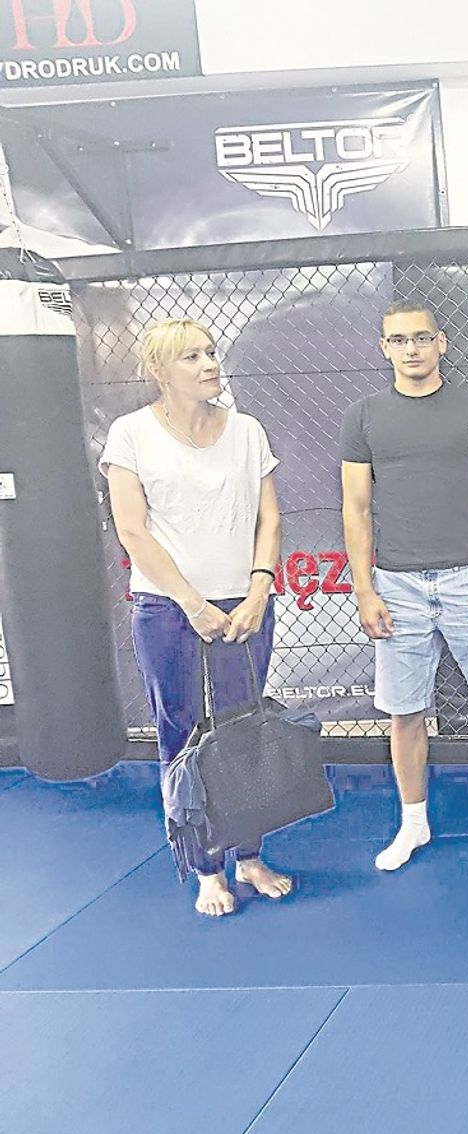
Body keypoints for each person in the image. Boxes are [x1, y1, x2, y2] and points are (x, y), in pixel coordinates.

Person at [341, 301, 468, 872]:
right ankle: (413, 823)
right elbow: (356, 508)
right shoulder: (363, 417)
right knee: (405, 713)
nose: (411, 349)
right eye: (399, 340)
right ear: (384, 348)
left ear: (442, 343)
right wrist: (365, 590)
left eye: (421, 338)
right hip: (396, 586)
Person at [101, 318, 294, 917]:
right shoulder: (131, 434)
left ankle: (249, 855)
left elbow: (269, 518)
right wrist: (191, 602)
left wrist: (259, 589)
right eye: (191, 356)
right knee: (180, 731)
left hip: (244, 605)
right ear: (159, 371)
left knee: (244, 730)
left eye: (211, 352)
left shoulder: (247, 431)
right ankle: (206, 867)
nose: (209, 364)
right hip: (167, 608)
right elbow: (133, 530)